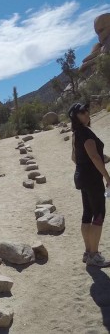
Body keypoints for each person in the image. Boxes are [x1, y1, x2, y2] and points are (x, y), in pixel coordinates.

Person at [70, 102, 110, 267]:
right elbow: (94, 157)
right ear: (75, 117)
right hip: (93, 180)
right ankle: (94, 255)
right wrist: (107, 177)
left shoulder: (76, 134)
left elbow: (74, 157)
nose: (87, 114)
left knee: (87, 213)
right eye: (82, 113)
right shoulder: (86, 134)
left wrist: (101, 158)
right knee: (99, 213)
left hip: (81, 177)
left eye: (86, 111)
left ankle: (88, 252)